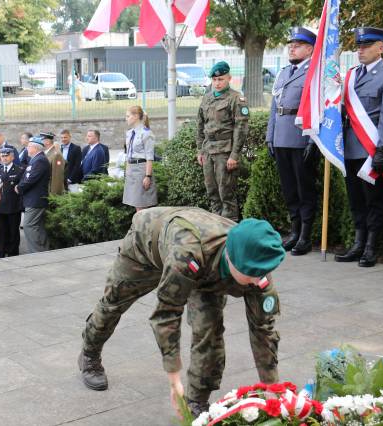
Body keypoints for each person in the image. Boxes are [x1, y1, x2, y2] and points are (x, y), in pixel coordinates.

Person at [78, 207, 285, 417]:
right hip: (147, 243)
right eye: (252, 274)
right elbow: (166, 313)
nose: (260, 281)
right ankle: (89, 354)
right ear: (233, 259)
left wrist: (271, 386)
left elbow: (264, 330)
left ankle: (197, 402)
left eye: (263, 272)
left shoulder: (258, 265)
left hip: (204, 265)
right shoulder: (188, 254)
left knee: (209, 329)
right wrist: (174, 379)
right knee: (114, 302)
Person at [335, 27, 383, 267]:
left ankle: (370, 247)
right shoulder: (351, 75)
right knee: (355, 199)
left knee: (373, 200)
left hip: (372, 150)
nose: (361, 50)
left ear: (381, 48)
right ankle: (358, 244)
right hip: (349, 147)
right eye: (359, 46)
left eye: (367, 45)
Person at [267, 27, 319, 254]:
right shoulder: (283, 73)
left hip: (300, 138)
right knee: (289, 189)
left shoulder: (314, 74)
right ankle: (295, 230)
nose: (291, 48)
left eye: (297, 45)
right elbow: (273, 108)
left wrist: (311, 141)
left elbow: (317, 110)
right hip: (281, 137)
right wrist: (270, 136)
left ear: (309, 49)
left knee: (304, 188)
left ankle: (306, 235)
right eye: (291, 45)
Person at [197, 62, 249, 222]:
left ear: (229, 78)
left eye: (221, 79)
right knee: (212, 193)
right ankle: (215, 231)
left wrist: (234, 155)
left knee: (226, 194)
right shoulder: (207, 99)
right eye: (215, 80)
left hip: (225, 153)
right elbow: (199, 126)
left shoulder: (236, 99)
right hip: (208, 151)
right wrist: (200, 150)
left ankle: (229, 234)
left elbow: (241, 128)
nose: (217, 83)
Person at [16, 136, 50, 253]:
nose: (27, 148)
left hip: (35, 200)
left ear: (35, 148)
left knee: (28, 226)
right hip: (34, 199)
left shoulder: (39, 160)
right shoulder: (36, 159)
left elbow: (31, 179)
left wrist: (19, 187)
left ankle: (36, 253)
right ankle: (43, 251)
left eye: (29, 146)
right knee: (38, 226)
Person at [123, 106, 158, 211]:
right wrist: (127, 170)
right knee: (135, 204)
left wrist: (148, 176)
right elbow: (129, 154)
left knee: (141, 205)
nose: (126, 119)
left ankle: (142, 227)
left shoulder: (146, 133)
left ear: (136, 116)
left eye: (128, 116)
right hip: (131, 169)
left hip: (141, 170)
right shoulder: (129, 133)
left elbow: (149, 157)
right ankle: (139, 226)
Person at [0, 148, 24, 258]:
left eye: (7, 156)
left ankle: (13, 253)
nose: (4, 158)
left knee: (13, 232)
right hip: (0, 206)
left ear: (12, 157)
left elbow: (20, 188)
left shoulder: (19, 170)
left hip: (13, 206)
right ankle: (0, 253)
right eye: (2, 156)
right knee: (0, 231)